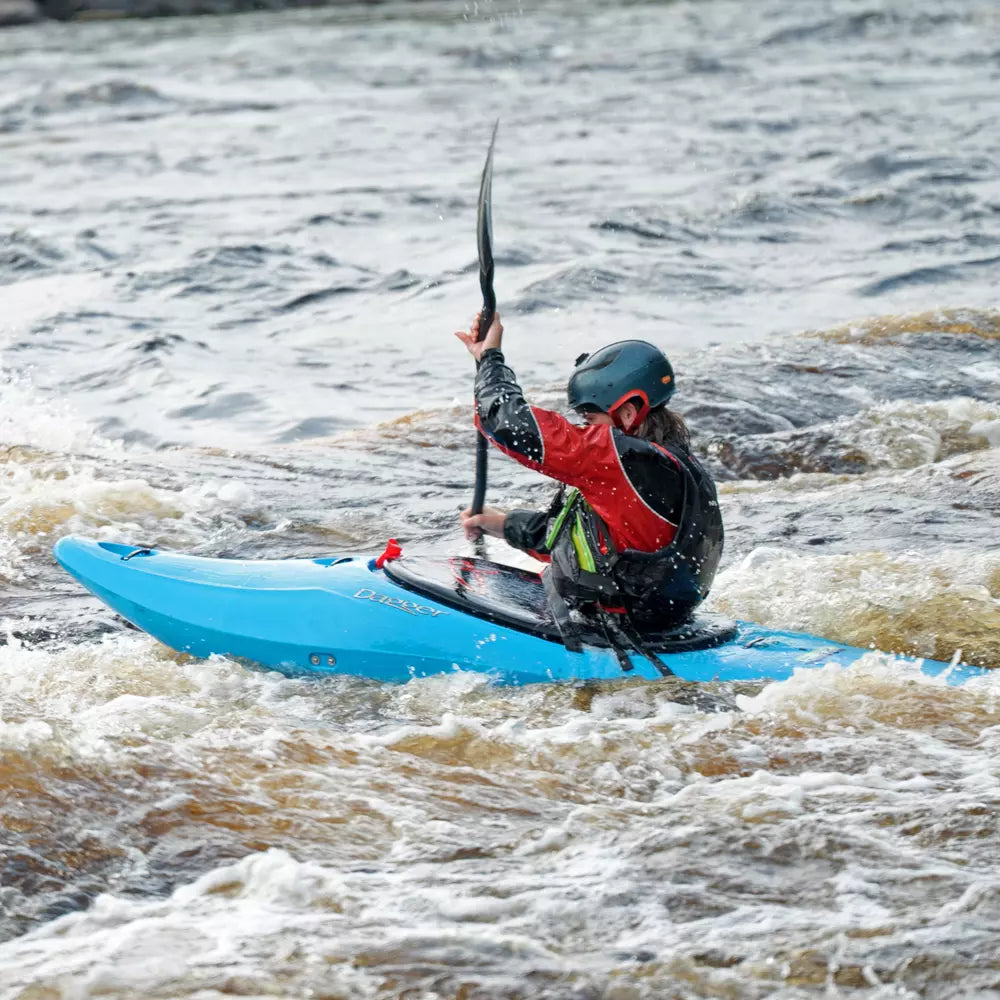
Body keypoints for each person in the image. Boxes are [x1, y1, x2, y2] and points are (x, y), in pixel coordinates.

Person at [455, 311, 723, 653]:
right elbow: (598, 545)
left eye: (590, 418)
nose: (585, 429)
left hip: (622, 628)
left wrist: (490, 359)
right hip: (657, 622)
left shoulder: (624, 458)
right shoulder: (672, 464)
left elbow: (510, 425)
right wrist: (504, 525)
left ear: (628, 413)